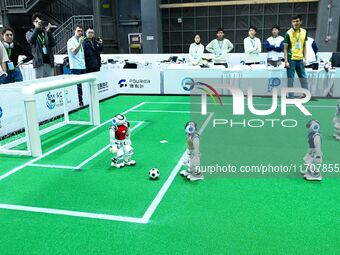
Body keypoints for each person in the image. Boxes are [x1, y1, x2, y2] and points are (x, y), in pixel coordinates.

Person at [284, 15, 309, 98]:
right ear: (292, 22)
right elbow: (285, 48)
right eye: (293, 21)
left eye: (297, 21)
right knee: (290, 79)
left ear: (300, 22)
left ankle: (305, 95)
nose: (295, 23)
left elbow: (304, 46)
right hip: (291, 59)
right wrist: (286, 61)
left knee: (303, 78)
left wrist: (305, 58)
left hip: (300, 59)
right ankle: (291, 95)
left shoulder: (304, 32)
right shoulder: (288, 33)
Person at [26, 12, 56, 79]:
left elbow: (53, 44)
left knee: (50, 83)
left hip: (49, 61)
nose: (39, 23)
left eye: (40, 21)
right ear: (33, 22)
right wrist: (36, 28)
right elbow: (31, 41)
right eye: (37, 21)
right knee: (39, 84)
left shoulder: (46, 32)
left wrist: (48, 31)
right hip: (39, 62)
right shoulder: (29, 32)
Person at [67, 24, 86, 107]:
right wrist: (80, 43)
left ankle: (83, 101)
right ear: (74, 31)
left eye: (81, 31)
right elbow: (74, 52)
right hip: (75, 67)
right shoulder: (71, 41)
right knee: (77, 86)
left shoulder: (80, 40)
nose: (80, 32)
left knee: (83, 85)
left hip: (82, 66)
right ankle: (79, 103)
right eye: (78, 31)